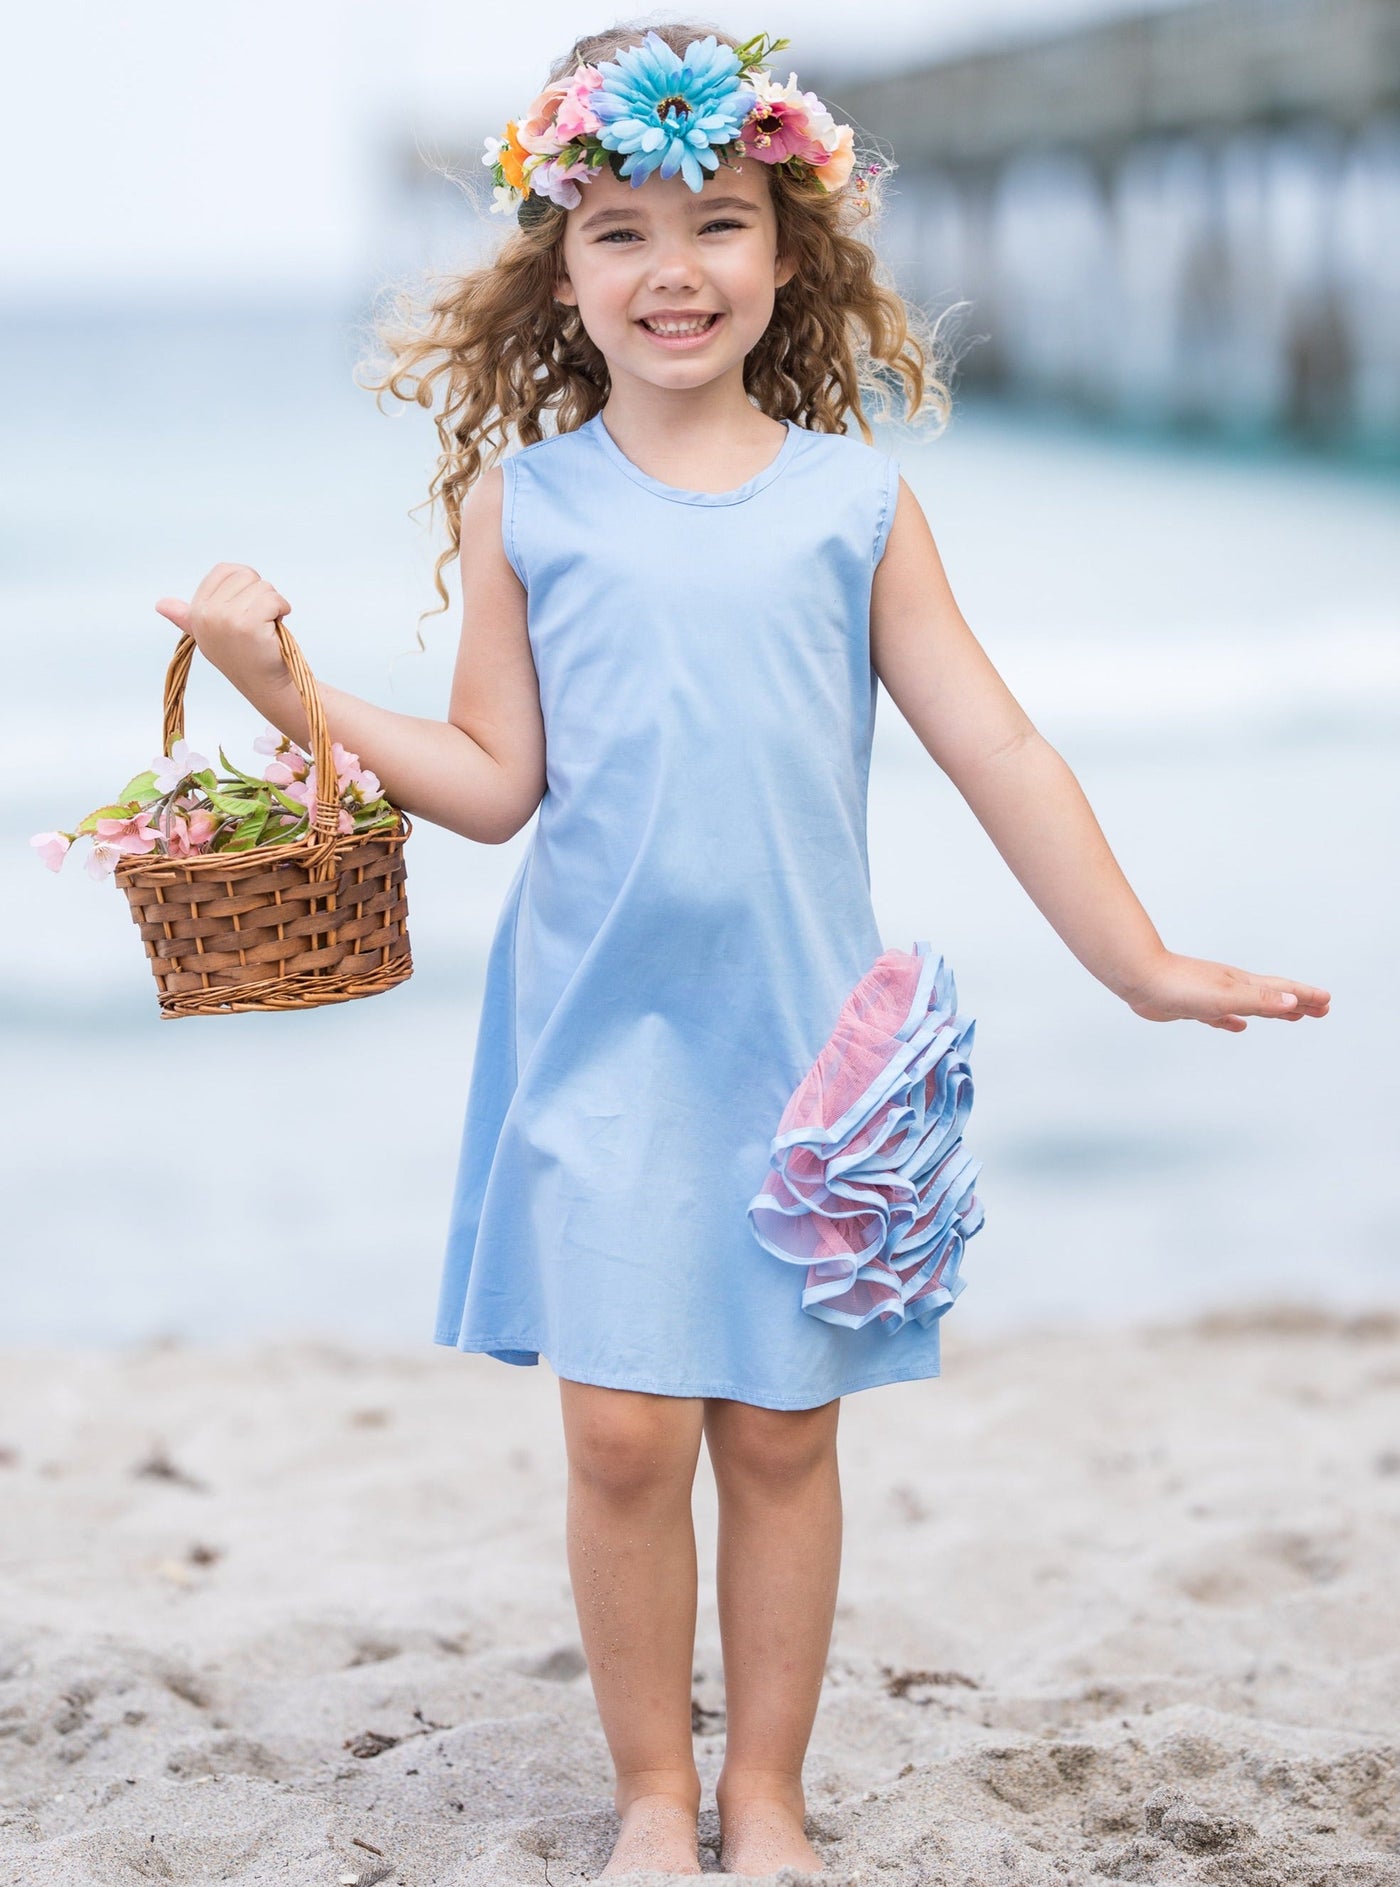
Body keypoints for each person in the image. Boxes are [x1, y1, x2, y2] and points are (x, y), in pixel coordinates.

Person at [153, 22, 1331, 1879]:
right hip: (599, 1035)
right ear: (563, 267)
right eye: (619, 229)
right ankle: (647, 1792)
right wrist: (276, 685)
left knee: (781, 1434)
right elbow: (485, 786)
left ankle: (763, 1795)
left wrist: (1142, 962)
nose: (672, 267)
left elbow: (998, 745)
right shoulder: (525, 504)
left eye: (716, 220)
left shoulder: (853, 506)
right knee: (625, 1436)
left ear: (789, 253)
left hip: (801, 1038)